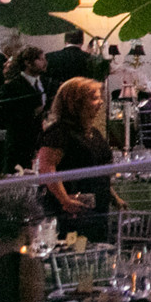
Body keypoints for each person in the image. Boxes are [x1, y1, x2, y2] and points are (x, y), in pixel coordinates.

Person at [35, 77, 114, 238]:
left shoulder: (93, 133)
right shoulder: (59, 133)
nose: (100, 103)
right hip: (72, 210)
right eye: (94, 98)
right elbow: (47, 168)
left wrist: (113, 196)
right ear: (76, 103)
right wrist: (65, 200)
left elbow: (98, 168)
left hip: (96, 207)